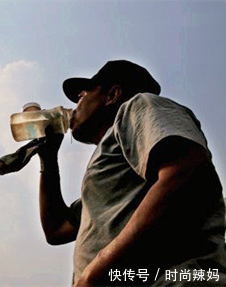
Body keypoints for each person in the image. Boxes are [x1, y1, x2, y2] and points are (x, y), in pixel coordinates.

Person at [37, 60, 226, 286]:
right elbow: (57, 230)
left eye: (83, 94)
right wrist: (48, 159)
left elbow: (184, 169)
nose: (77, 103)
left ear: (112, 95)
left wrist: (95, 271)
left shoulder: (140, 105)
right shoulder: (114, 170)